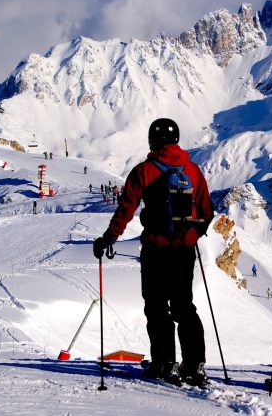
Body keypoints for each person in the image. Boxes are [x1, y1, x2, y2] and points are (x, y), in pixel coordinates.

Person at [93, 118, 214, 387]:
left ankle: (164, 363)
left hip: (155, 250)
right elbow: (207, 211)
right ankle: (194, 364)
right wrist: (192, 234)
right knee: (184, 306)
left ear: (152, 140)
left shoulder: (143, 171)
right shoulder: (192, 170)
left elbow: (125, 210)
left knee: (156, 306)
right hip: (184, 250)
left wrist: (108, 238)